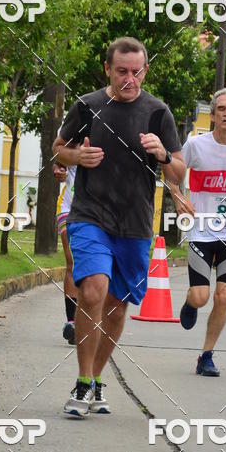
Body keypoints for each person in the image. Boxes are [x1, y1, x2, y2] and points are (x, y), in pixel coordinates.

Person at [52, 36, 186, 416]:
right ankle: (81, 384)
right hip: (90, 216)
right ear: (107, 69)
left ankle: (95, 379)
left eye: (137, 71)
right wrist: (76, 155)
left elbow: (179, 169)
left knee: (116, 306)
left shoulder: (158, 113)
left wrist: (162, 154)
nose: (130, 78)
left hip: (136, 223)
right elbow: (58, 147)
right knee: (93, 291)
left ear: (145, 70)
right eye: (122, 71)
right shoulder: (88, 106)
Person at [169, 88, 226, 378]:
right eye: (221, 109)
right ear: (212, 114)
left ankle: (206, 355)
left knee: (224, 296)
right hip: (200, 230)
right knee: (201, 296)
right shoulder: (196, 145)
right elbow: (173, 173)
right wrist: (178, 197)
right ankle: (190, 301)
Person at [54, 163, 78, 343]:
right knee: (72, 262)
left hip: (98, 212)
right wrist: (58, 170)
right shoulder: (70, 135)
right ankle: (72, 322)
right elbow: (58, 158)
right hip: (68, 208)